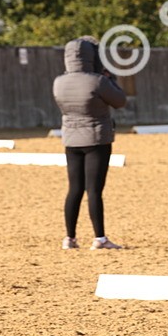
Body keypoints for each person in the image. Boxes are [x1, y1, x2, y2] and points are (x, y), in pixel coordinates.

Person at [52, 37, 127, 250]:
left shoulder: (59, 81)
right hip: (97, 138)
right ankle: (100, 239)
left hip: (70, 139)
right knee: (94, 190)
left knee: (74, 189)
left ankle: (70, 238)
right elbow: (120, 101)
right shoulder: (98, 81)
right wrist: (110, 79)